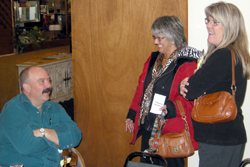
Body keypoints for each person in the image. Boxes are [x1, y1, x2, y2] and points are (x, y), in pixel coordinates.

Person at [179, 2, 250, 167]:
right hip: (229, 136)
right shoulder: (235, 54)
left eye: (215, 22)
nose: (208, 26)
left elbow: (190, 90)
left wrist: (182, 85)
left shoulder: (222, 56)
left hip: (218, 139)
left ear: (230, 27)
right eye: (207, 20)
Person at [125, 15, 201, 167]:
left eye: (160, 38)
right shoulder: (153, 59)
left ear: (173, 38)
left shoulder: (186, 63)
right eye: (155, 37)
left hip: (170, 131)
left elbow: (190, 99)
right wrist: (132, 115)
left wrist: (171, 107)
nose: (155, 42)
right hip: (148, 127)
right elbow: (142, 88)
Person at [0, 66, 82, 167]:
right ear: (27, 87)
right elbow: (27, 146)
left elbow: (76, 135)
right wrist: (58, 143)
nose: (49, 85)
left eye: (49, 80)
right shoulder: (13, 109)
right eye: (42, 81)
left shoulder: (55, 108)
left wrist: (44, 132)